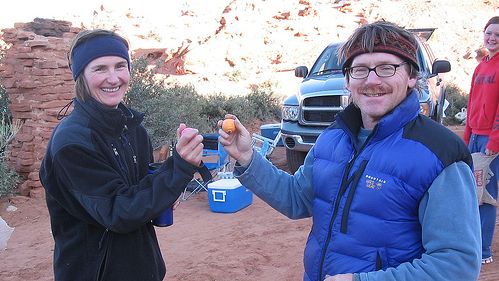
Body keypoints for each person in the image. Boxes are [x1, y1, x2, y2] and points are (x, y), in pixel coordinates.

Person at [218, 21, 481, 281]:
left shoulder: (440, 154)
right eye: (360, 70)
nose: (372, 80)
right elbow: (296, 198)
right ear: (347, 80)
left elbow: (457, 264)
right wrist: (247, 157)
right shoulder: (333, 138)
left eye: (386, 68)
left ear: (412, 76)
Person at [39, 29, 204, 281]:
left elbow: (137, 191)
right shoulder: (72, 143)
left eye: (120, 66)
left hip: (141, 269)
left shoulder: (133, 129)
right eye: (100, 69)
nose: (113, 78)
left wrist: (164, 189)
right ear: (81, 75)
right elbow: (119, 211)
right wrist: (178, 168)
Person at [464, 15, 499, 265]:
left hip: (491, 138)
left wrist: (494, 141)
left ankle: (484, 249)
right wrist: (467, 137)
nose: (492, 38)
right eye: (489, 33)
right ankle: (471, 243)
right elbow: (472, 101)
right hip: (475, 136)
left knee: (485, 194)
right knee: (470, 192)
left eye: (498, 34)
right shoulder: (481, 66)